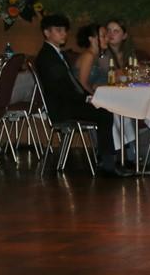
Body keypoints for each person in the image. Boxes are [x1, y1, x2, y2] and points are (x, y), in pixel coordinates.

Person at [35, 13, 128, 177]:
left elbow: (72, 84)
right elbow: (61, 89)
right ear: (47, 33)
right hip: (62, 107)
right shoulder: (47, 57)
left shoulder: (57, 53)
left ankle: (111, 159)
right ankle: (108, 163)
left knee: (106, 109)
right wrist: (85, 98)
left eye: (65, 30)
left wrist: (87, 97)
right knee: (105, 113)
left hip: (68, 103)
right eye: (58, 30)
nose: (63, 34)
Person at [72, 23, 107, 94]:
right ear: (91, 39)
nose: (107, 39)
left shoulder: (97, 55)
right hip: (79, 95)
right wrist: (95, 97)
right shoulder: (88, 56)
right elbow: (82, 84)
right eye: (103, 36)